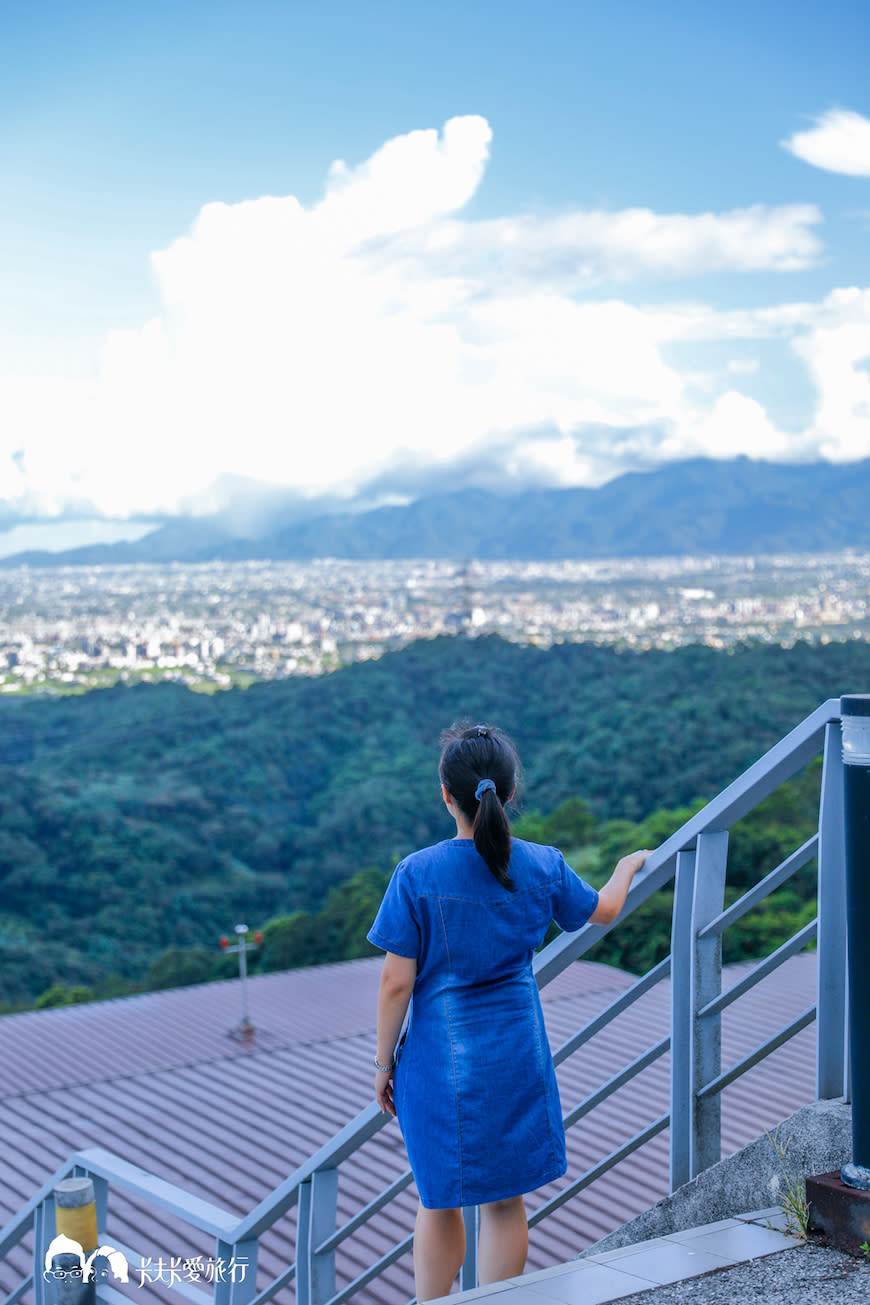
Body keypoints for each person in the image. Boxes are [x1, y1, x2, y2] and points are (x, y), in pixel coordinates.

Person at [367, 723, 652, 1302]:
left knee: (438, 1197)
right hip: (516, 1053)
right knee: (505, 1201)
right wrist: (627, 866)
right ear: (510, 791)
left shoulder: (417, 874)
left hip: (437, 1061)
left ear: (446, 794)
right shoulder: (543, 865)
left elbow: (397, 984)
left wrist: (381, 1064)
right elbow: (604, 910)